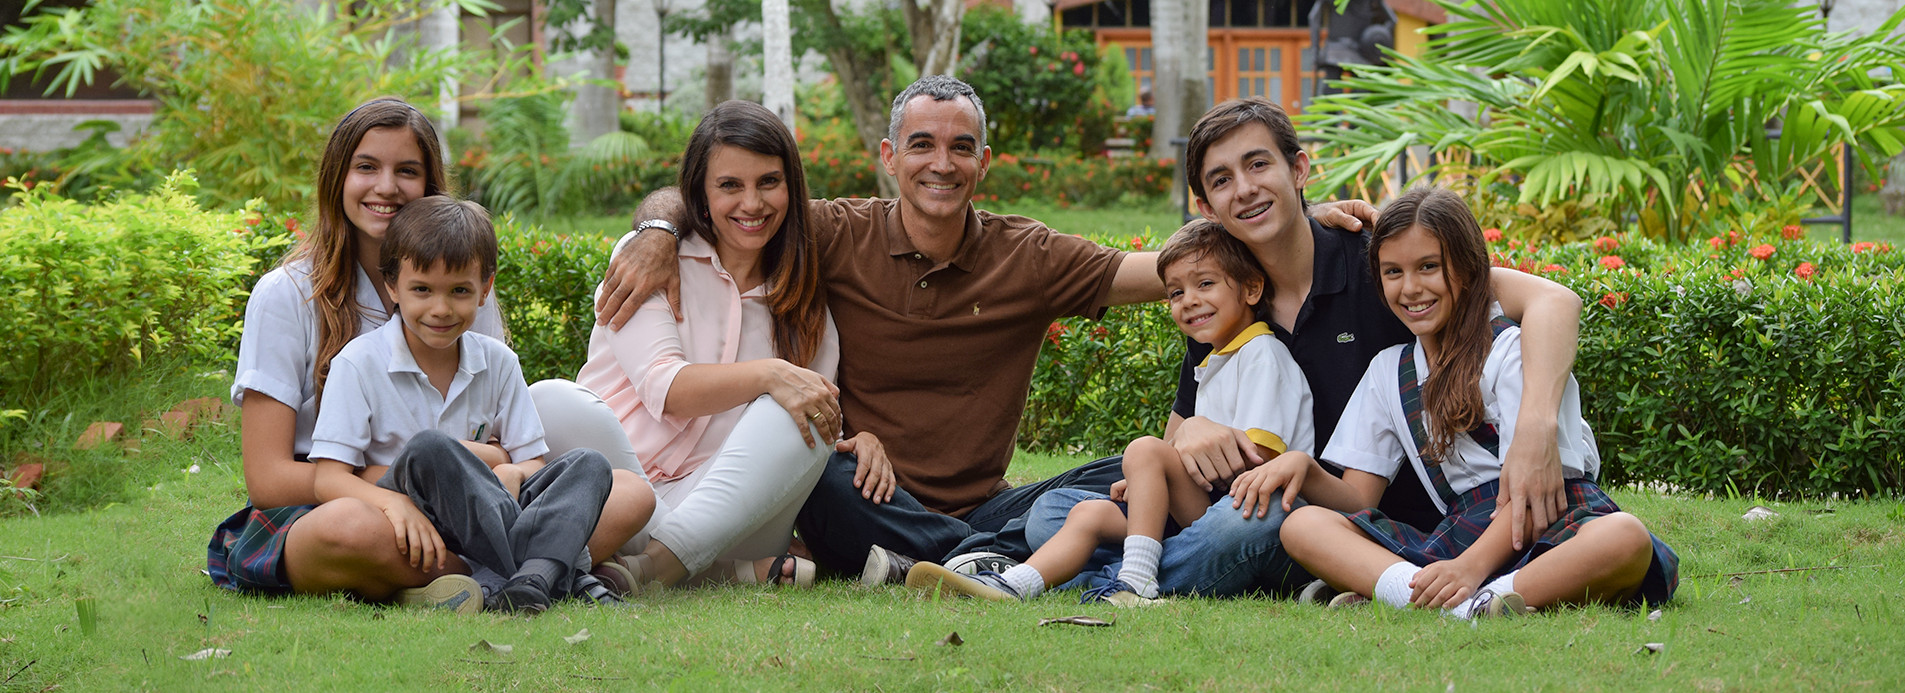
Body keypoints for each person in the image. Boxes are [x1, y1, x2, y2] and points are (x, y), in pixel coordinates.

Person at [593, 78, 1371, 582]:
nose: (942, 163)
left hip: (990, 505)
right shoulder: (834, 232)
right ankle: (1015, 564)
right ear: (889, 157)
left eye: (960, 147)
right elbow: (722, 196)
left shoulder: (1026, 255)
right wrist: (657, 230)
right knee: (819, 472)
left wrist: (1286, 222)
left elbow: (1168, 267)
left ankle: (969, 560)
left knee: (1136, 465)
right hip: (869, 495)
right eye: (922, 145)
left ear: (983, 161)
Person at [1023, 97, 1586, 599]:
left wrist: (1536, 429)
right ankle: (1137, 566)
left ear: (1298, 169)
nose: (1245, 189)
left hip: (1348, 515)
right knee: (1053, 512)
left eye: (1258, 164)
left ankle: (1112, 576)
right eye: (1222, 180)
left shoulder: (1378, 264)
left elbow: (1554, 301)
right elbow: (1179, 433)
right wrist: (1187, 434)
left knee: (1253, 523)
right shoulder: (1225, 296)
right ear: (1206, 206)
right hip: (1237, 500)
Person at [206, 98, 652, 608]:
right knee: (349, 529)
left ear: (429, 183)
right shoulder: (286, 294)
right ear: (337, 178)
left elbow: (506, 448)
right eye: (366, 167)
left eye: (407, 171)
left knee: (628, 492)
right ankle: (549, 568)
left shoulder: (461, 288)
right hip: (342, 504)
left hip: (474, 504)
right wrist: (410, 485)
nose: (386, 186)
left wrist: (474, 471)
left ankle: (468, 580)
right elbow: (268, 480)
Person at [1271, 186, 1677, 616]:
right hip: (1459, 531)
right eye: (1393, 272)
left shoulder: (1514, 350)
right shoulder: (1388, 371)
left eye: (1429, 267)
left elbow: (1539, 489)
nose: (1411, 288)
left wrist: (1470, 567)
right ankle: (1466, 603)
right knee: (1303, 525)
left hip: (1550, 517)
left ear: (1467, 268)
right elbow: (1360, 501)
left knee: (1625, 537)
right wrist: (1307, 471)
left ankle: (1444, 598)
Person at [904, 220, 1312, 605]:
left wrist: (1163, 470)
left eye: (1205, 284)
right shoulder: (1214, 363)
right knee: (1075, 513)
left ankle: (1132, 578)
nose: (1189, 300)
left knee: (1146, 451)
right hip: (1200, 512)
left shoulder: (1262, 354)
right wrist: (1149, 487)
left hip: (1247, 511)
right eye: (1175, 293)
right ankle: (1014, 585)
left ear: (1252, 288)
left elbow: (1261, 465)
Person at [551, 100, 846, 590]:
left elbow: (816, 419)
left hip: (728, 514)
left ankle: (653, 567)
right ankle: (707, 569)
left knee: (804, 412)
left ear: (791, 188)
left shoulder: (805, 305)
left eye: (768, 182)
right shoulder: (648, 261)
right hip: (620, 497)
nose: (752, 203)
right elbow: (665, 388)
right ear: (700, 193)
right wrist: (769, 373)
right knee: (551, 400)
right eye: (729, 185)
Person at [309, 197, 623, 614]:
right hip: (414, 518)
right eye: (422, 290)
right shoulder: (359, 363)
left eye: (459, 291)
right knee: (431, 448)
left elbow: (532, 462)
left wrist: (513, 471)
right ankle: (555, 574)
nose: (440, 309)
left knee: (589, 465)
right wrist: (392, 502)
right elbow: (328, 479)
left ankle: (524, 581)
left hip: (493, 506)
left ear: (485, 289)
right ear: (392, 287)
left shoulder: (498, 361)